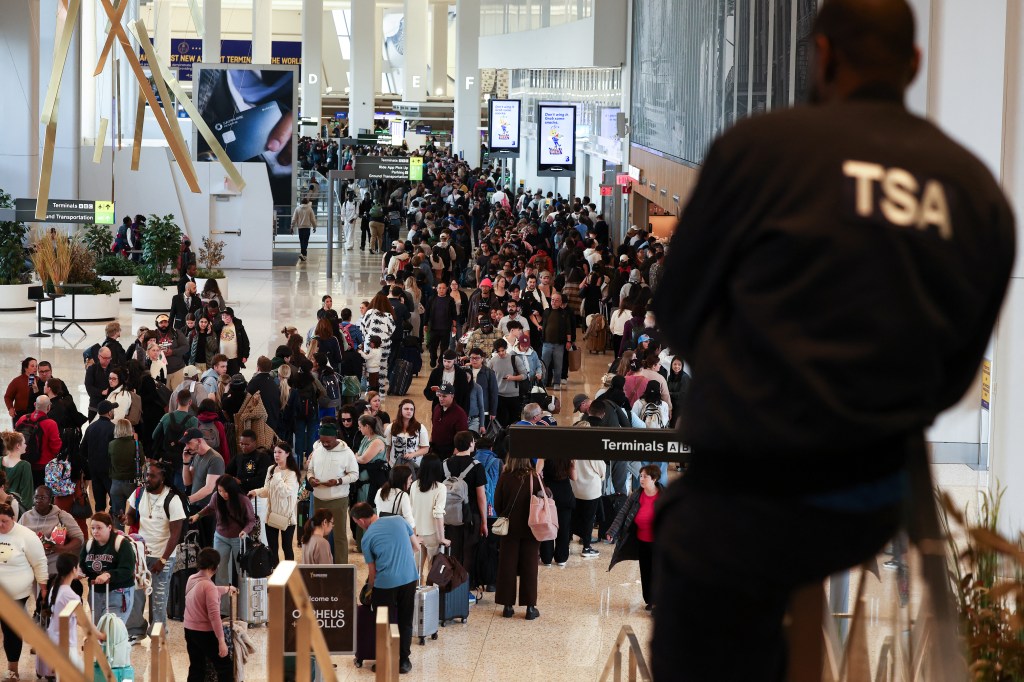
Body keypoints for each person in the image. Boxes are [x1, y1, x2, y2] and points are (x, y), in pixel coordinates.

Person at [650, 1, 1016, 679]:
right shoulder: (977, 193)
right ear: (913, 63)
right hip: (868, 501)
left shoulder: (759, 150)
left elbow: (675, 309)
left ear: (821, 55)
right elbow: (959, 371)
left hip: (744, 497)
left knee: (698, 591)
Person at [351, 501, 420, 675]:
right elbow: (416, 546)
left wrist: (370, 591)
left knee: (384, 623)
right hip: (409, 578)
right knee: (405, 620)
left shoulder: (367, 538)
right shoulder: (399, 520)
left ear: (360, 521)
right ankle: (404, 661)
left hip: (385, 584)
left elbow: (372, 572)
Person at [124, 461, 187, 639]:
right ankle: (136, 631)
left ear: (163, 478)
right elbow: (131, 516)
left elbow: (175, 535)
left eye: (152, 476)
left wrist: (163, 560)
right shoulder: (139, 493)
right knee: (136, 594)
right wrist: (125, 518)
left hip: (163, 554)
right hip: (141, 554)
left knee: (159, 598)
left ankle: (158, 633)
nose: (147, 479)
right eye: (146, 475)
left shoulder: (173, 499)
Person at [188, 474, 256, 610]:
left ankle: (245, 608)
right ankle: (223, 609)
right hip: (220, 537)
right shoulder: (216, 497)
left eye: (225, 491)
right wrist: (198, 515)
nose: (223, 494)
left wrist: (245, 531)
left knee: (241, 571)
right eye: (220, 491)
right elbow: (209, 508)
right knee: (220, 571)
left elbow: (251, 520)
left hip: (239, 538)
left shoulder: (242, 500)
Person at [0, 501, 48, 679]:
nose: (0, 525)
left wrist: (43, 587)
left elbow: (39, 562)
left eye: (4, 521)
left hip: (16, 595)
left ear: (13, 519)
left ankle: (13, 669)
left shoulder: (26, 536)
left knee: (11, 631)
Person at [606, 464, 662, 611]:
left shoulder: (663, 495)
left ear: (654, 479)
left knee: (657, 572)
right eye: (641, 476)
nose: (641, 479)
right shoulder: (637, 495)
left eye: (645, 476)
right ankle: (650, 600)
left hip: (659, 542)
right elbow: (623, 513)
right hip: (642, 541)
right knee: (646, 571)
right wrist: (612, 531)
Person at [493, 458, 541, 620]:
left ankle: (507, 606)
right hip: (531, 527)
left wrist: (505, 514)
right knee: (530, 566)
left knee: (507, 566)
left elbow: (497, 503)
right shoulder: (534, 477)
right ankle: (530, 607)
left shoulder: (505, 477)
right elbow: (544, 496)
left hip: (509, 528)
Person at [305, 422, 359, 563]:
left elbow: (354, 474)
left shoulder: (346, 453)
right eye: (322, 441)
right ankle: (323, 565)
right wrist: (311, 478)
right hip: (319, 498)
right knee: (320, 534)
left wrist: (338, 481)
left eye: (328, 441)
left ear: (335, 437)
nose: (325, 444)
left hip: (338, 498)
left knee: (339, 535)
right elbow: (309, 469)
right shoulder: (317, 451)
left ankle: (341, 567)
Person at [184, 547, 238, 682]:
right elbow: (214, 617)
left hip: (189, 630)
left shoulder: (192, 579)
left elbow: (207, 591)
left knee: (197, 666)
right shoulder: (209, 587)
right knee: (225, 666)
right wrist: (221, 641)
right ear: (215, 566)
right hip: (205, 633)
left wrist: (226, 589)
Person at [248, 441, 300, 567]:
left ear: (287, 454)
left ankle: (290, 577)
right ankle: (274, 574)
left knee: (287, 547)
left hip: (286, 517)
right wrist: (256, 491)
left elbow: (285, 492)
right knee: (272, 548)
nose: (276, 455)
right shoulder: (271, 469)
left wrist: (277, 476)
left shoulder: (291, 473)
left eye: (280, 452)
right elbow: (267, 490)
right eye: (275, 452)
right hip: (271, 515)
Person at [81, 512, 136, 625]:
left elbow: (127, 570)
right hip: (95, 593)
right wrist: (79, 572)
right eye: (92, 528)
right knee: (98, 629)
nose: (95, 531)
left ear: (109, 527)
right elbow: (83, 566)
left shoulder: (122, 544)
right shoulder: (89, 545)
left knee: (111, 630)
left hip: (118, 592)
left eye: (99, 528)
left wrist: (108, 574)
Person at [36, 553, 84, 679]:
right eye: (78, 566)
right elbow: (82, 620)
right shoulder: (71, 595)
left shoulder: (55, 589)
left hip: (55, 639)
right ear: (74, 569)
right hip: (66, 643)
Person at [181, 427, 226, 549]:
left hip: (210, 509)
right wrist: (185, 462)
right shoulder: (196, 456)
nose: (187, 446)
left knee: (210, 545)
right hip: (197, 507)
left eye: (189, 442)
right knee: (199, 545)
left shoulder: (215, 459)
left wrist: (187, 500)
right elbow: (188, 482)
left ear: (199, 441)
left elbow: (209, 488)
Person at [410, 453, 450, 577]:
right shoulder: (440, 487)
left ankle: (415, 595)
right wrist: (441, 538)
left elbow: (411, 509)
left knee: (416, 570)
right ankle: (431, 596)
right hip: (432, 534)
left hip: (417, 533)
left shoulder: (414, 485)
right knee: (433, 571)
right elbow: (438, 515)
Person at [14, 395, 62, 488]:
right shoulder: (51, 424)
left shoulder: (23, 418)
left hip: (23, 462)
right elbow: (56, 447)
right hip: (42, 466)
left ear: (35, 404)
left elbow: (15, 437)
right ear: (48, 407)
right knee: (40, 493)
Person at [538, 458, 576, 568]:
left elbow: (537, 472)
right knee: (564, 528)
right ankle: (561, 558)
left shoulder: (545, 453)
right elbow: (574, 477)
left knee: (548, 525)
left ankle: (547, 557)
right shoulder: (568, 455)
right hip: (565, 494)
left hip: (549, 494)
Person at [82, 400, 117, 512]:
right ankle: (112, 527)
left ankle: (98, 525)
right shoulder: (113, 428)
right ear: (109, 412)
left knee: (99, 503)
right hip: (110, 470)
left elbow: (82, 449)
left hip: (94, 470)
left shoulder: (90, 427)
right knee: (115, 502)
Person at [488, 339, 525, 428]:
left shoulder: (515, 359)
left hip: (514, 396)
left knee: (515, 421)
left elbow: (524, 375)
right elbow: (488, 377)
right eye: (498, 351)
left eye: (503, 350)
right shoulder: (492, 361)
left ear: (506, 348)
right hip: (499, 396)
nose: (501, 353)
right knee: (501, 422)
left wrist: (513, 378)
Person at [108, 418, 138, 524]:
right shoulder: (135, 444)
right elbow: (141, 461)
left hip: (116, 484)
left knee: (118, 516)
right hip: (132, 484)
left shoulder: (111, 444)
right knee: (135, 514)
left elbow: (108, 461)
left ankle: (119, 538)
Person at [384, 399, 430, 471]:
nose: (409, 411)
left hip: (414, 466)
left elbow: (425, 449)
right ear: (400, 410)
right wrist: (387, 461)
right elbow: (388, 447)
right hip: (395, 466)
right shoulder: (391, 427)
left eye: (412, 409)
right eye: (406, 409)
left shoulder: (420, 427)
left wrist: (413, 454)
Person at [429, 382, 468, 460]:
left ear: (452, 396)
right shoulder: (437, 408)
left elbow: (462, 437)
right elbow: (434, 427)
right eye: (439, 395)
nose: (441, 399)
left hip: (449, 453)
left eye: (444, 396)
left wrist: (455, 455)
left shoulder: (460, 414)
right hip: (435, 450)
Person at [375, 464, 415, 528]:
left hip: (381, 528)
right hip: (396, 531)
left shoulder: (380, 491)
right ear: (403, 480)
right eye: (410, 478)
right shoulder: (403, 495)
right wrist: (416, 537)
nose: (411, 481)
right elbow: (410, 522)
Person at [1, 430, 33, 509]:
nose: (26, 445)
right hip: (15, 508)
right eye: (24, 443)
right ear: (18, 445)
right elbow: (27, 495)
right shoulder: (25, 466)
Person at [4, 357, 37, 424]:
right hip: (20, 414)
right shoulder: (17, 381)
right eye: (32, 366)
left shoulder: (39, 380)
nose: (35, 368)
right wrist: (10, 408)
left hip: (35, 414)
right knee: (20, 434)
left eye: (36, 366)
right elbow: (8, 396)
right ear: (25, 368)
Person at [219, 308, 250, 376]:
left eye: (226, 316)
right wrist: (221, 323)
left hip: (234, 359)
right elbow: (214, 328)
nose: (224, 317)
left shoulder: (238, 326)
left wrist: (245, 355)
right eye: (223, 316)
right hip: (221, 359)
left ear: (231, 316)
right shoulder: (220, 326)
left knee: (233, 377)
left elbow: (245, 341)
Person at [291, 197, 317, 262]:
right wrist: (314, 227)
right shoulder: (310, 209)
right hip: (307, 228)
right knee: (305, 241)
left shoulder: (297, 209)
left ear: (301, 202)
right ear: (307, 202)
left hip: (300, 228)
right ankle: (303, 254)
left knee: (302, 241)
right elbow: (313, 219)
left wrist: (292, 226)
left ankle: (303, 255)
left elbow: (294, 219)